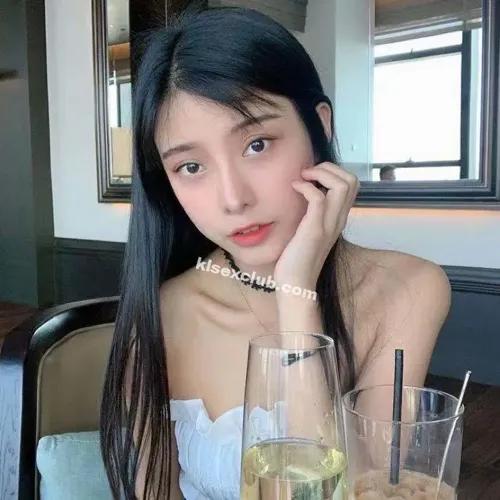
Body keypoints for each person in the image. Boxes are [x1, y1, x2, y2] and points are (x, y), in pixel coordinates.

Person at [99, 6, 451, 499]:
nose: (233, 199)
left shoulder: (408, 290)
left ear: (319, 127)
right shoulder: (160, 311)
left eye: (257, 144)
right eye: (191, 167)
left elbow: (347, 493)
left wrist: (296, 293)